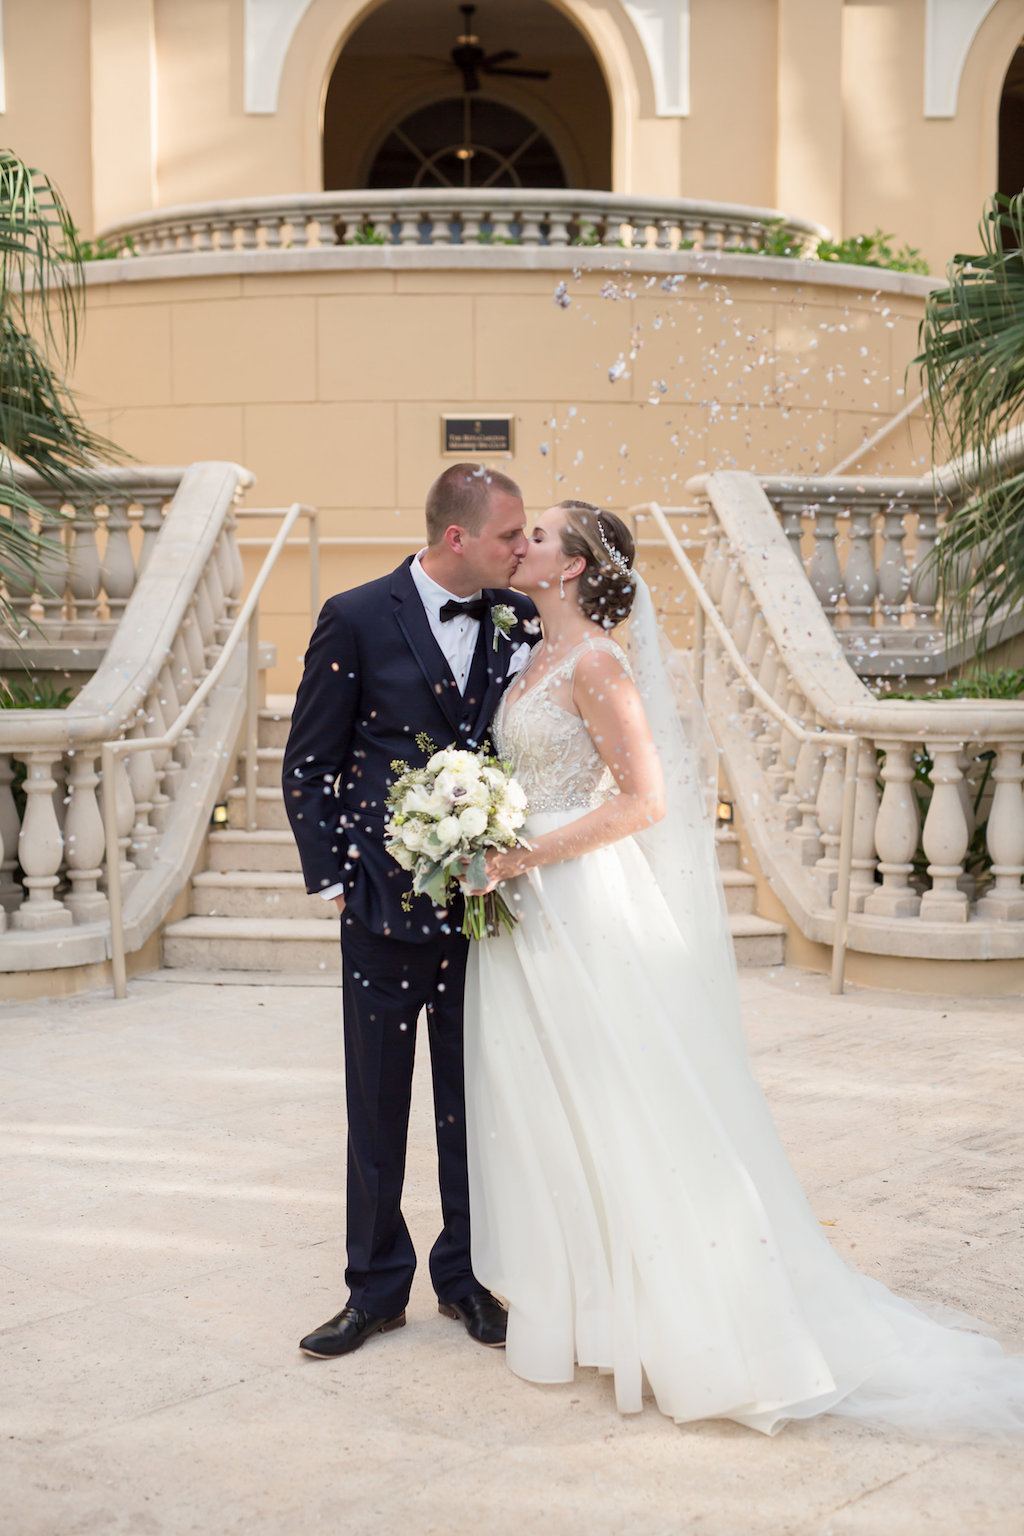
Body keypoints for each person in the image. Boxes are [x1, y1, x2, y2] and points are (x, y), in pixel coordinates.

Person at [463, 498, 1024, 1437]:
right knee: (550, 1104)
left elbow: (645, 802)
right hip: (527, 908)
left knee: (620, 1103)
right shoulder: (533, 656)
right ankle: (589, 1306)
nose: (521, 544)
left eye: (540, 536)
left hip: (579, 902)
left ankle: (678, 1319)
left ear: (570, 567)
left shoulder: (600, 663)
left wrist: (519, 855)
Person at [282, 463, 537, 1359]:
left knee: (473, 1102)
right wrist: (337, 879)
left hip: (486, 911)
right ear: (457, 538)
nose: (524, 548)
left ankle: (466, 1278)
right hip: (382, 910)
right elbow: (309, 762)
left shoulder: (522, 617)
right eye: (511, 535)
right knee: (378, 1103)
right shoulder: (355, 616)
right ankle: (374, 1289)